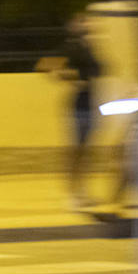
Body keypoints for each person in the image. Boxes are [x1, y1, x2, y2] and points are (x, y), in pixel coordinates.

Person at [37, 12, 101, 210]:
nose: (87, 24)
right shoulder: (70, 47)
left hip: (90, 103)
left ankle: (82, 192)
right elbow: (43, 66)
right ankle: (73, 194)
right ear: (73, 26)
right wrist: (70, 77)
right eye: (82, 21)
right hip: (77, 105)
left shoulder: (88, 47)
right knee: (76, 152)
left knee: (85, 152)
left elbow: (99, 71)